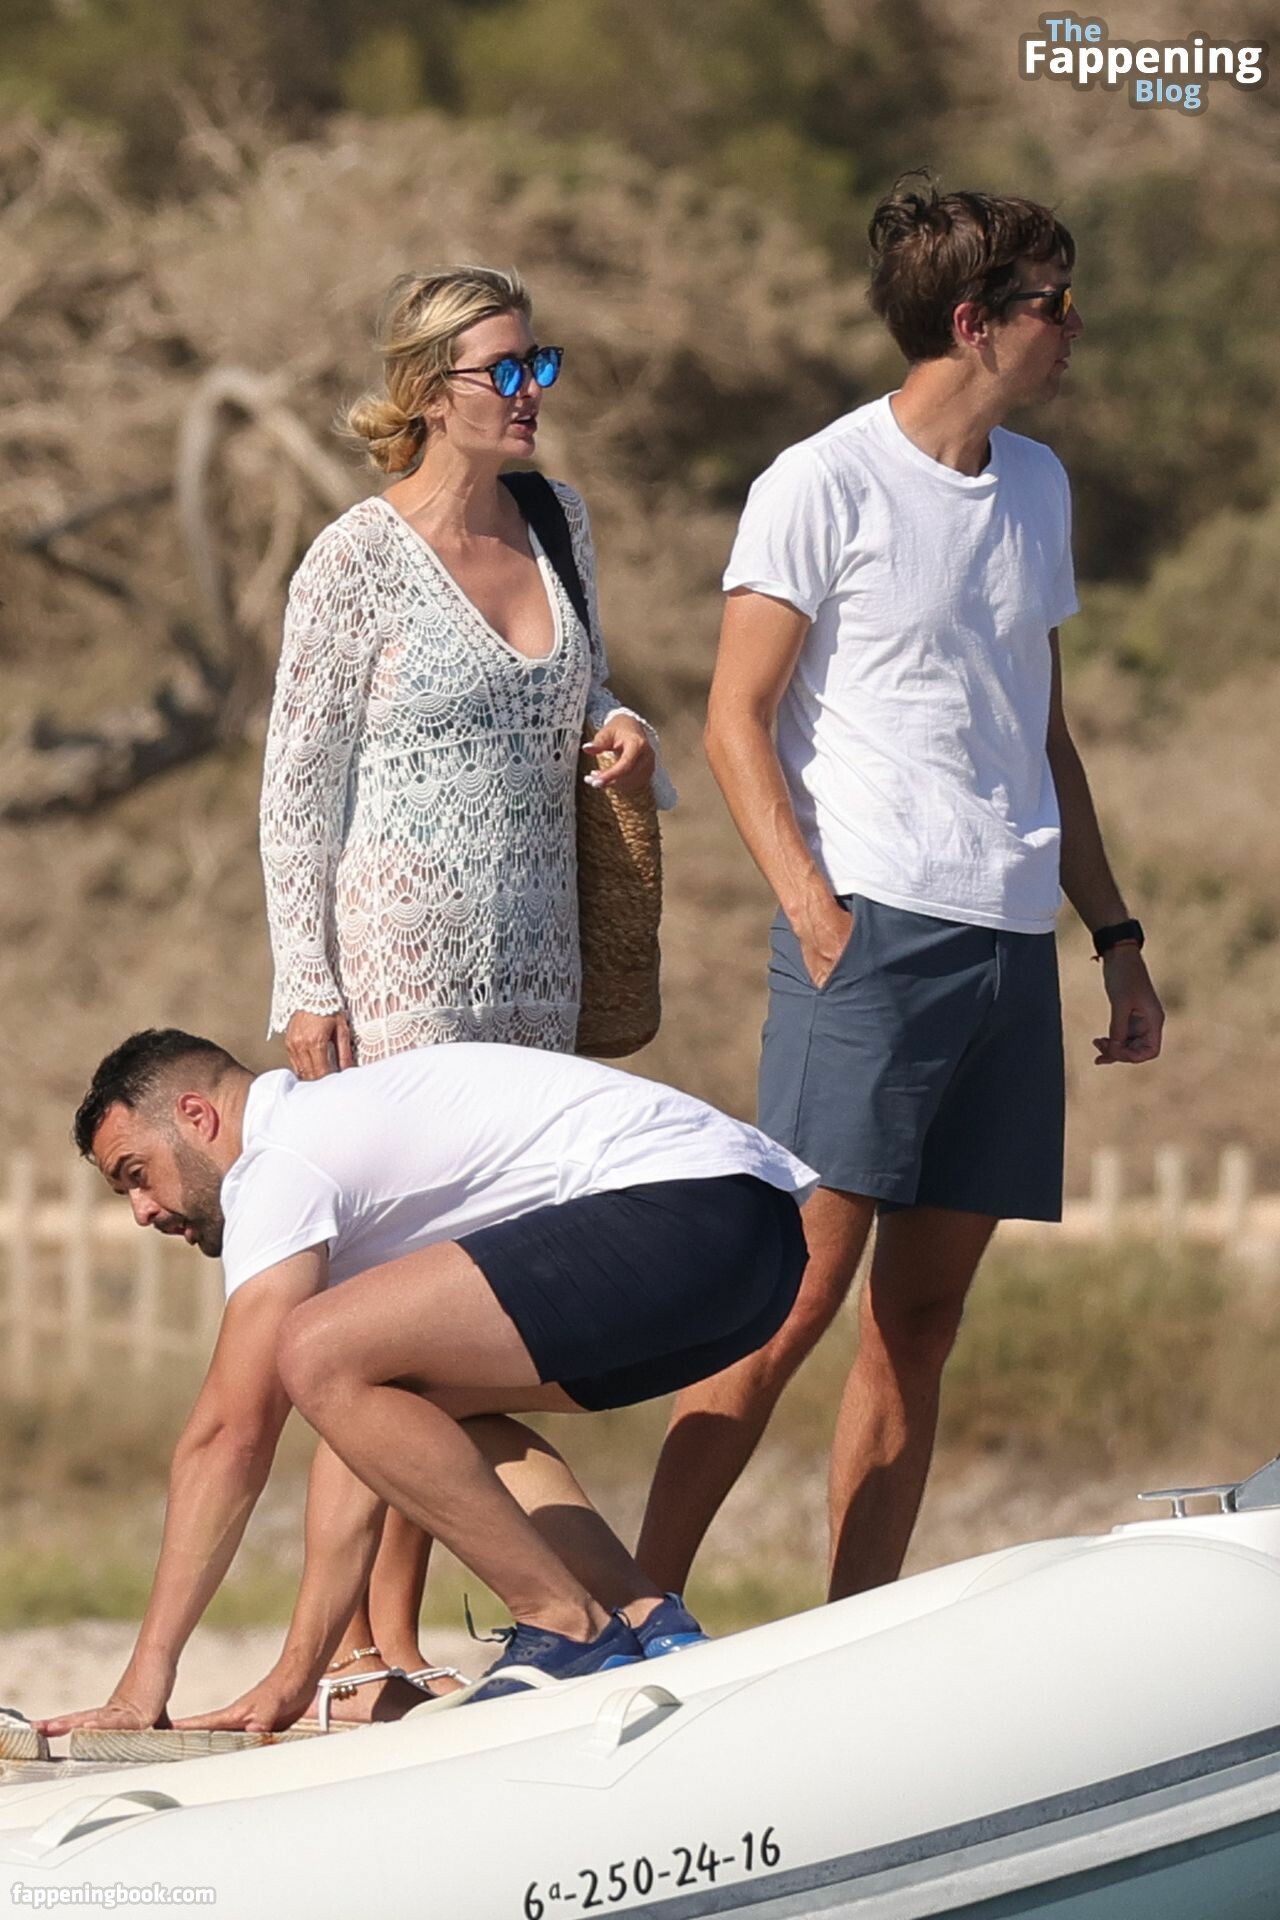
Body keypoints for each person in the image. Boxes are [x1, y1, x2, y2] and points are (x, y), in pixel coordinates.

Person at [636, 179, 1165, 1605]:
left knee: (919, 1323)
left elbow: (1042, 731)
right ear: (974, 322)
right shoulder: (819, 482)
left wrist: (1113, 936)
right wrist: (815, 912)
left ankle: (854, 1630)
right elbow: (734, 720)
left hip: (1009, 945)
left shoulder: (1038, 486)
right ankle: (623, 1617)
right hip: (870, 938)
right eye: (1056, 302)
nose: (1075, 327)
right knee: (783, 1301)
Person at [259, 265, 673, 1716]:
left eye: (539, 366)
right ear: (428, 391)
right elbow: (296, 789)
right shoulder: (354, 560)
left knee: (474, 1312)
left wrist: (623, 729)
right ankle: (367, 1649)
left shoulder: (559, 523)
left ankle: (396, 1639)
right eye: (505, 369)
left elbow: (582, 690)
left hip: (538, 970)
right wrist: (306, 981)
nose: (530, 393)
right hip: (401, 972)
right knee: (398, 1313)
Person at [41, 1028, 813, 1736]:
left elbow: (228, 1437)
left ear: (196, 1115)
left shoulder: (282, 1160)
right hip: (760, 1257)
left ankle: (563, 1623)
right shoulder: (343, 1159)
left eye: (137, 1175)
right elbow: (355, 1455)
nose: (142, 1211)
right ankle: (645, 1620)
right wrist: (296, 1676)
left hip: (686, 1213)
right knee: (387, 1395)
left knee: (309, 1348)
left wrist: (143, 1685)